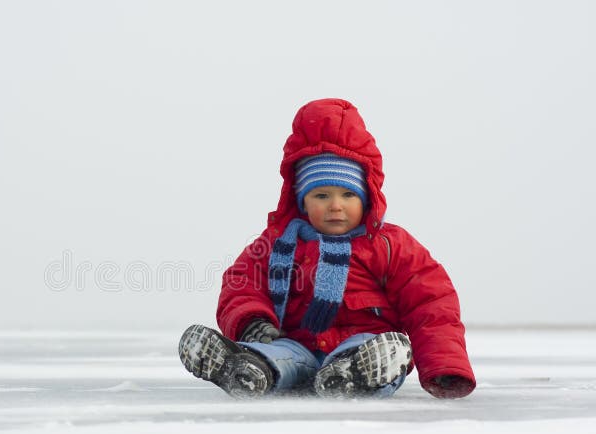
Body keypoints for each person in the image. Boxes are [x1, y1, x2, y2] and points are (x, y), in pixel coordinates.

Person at [178, 98, 475, 400]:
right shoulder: (278, 243)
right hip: (295, 345)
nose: (336, 206)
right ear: (302, 200)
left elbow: (430, 303)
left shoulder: (388, 245)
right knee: (280, 355)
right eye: (321, 195)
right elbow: (242, 283)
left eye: (348, 194)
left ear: (366, 197)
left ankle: (352, 375)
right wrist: (252, 322)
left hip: (361, 344)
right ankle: (248, 367)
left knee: (385, 351)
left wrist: (443, 364)